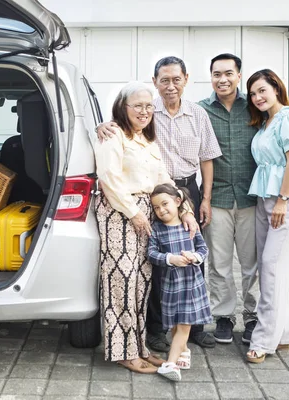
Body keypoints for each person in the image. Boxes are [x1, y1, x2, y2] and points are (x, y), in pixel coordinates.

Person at [97, 56, 222, 351]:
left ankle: (192, 327)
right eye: (164, 80)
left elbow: (204, 159)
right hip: (146, 200)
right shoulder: (133, 122)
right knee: (154, 265)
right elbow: (110, 168)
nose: (170, 86)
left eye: (176, 79)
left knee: (187, 260)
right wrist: (101, 125)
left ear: (186, 80)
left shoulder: (192, 116)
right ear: (155, 83)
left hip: (180, 190)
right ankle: (153, 332)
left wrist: (193, 204)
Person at [93, 81, 196, 373]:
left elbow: (163, 179)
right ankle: (123, 352)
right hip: (120, 214)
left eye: (149, 105)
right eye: (138, 105)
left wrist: (184, 207)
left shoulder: (147, 139)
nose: (144, 111)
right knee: (121, 284)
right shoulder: (113, 134)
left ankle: (138, 347)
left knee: (141, 284)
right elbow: (108, 178)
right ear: (123, 108)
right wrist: (134, 213)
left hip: (145, 215)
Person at [244, 69, 289, 364]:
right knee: (272, 267)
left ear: (276, 88)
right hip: (264, 198)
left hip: (284, 199)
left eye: (262, 90)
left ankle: (263, 340)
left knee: (272, 267)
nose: (257, 97)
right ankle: (283, 333)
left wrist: (283, 200)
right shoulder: (266, 121)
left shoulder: (287, 117)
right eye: (252, 93)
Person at [198, 53, 260, 345]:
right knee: (219, 263)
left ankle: (253, 316)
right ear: (210, 77)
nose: (222, 79)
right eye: (216, 74)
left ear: (238, 76)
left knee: (252, 263)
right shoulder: (200, 110)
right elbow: (162, 113)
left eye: (228, 73)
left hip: (252, 197)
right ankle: (223, 317)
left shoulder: (255, 106)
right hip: (218, 197)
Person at [148, 184, 211, 381]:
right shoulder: (157, 229)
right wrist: (170, 259)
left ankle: (171, 363)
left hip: (191, 286)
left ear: (177, 202)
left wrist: (194, 257)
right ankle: (184, 352)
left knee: (184, 326)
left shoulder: (189, 226)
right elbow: (151, 253)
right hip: (170, 286)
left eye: (165, 204)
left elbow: (203, 249)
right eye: (156, 207)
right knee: (176, 325)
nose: (161, 210)